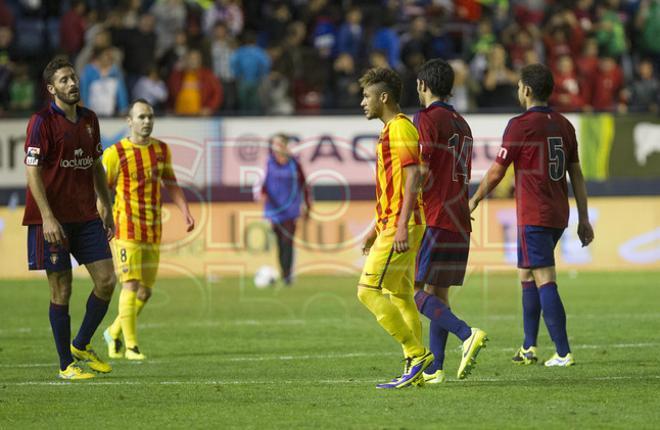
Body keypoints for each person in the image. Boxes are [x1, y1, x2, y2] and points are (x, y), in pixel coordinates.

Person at [469, 63, 595, 367]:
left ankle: (563, 352)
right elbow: (576, 174)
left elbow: (498, 171)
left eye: (518, 86)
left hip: (534, 214)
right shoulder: (565, 124)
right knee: (526, 273)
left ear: (526, 89)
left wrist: (473, 199)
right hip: (557, 213)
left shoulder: (519, 125)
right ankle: (529, 347)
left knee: (543, 278)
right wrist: (584, 217)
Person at [23, 57, 116, 380]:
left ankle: (81, 343)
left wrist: (107, 205)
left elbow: (95, 165)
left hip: (86, 215)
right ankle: (66, 365)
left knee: (107, 282)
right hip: (53, 220)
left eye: (73, 77)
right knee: (61, 290)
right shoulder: (41, 122)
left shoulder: (90, 119)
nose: (72, 83)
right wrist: (47, 217)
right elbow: (32, 171)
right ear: (52, 89)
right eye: (63, 80)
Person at [413, 59, 488, 384]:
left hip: (437, 216)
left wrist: (407, 205)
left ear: (423, 86)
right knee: (438, 294)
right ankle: (435, 368)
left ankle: (466, 333)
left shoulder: (428, 118)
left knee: (412, 289)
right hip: (459, 219)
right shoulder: (462, 123)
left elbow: (424, 168)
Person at [357, 67, 433, 389]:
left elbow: (415, 175)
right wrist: (376, 227)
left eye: (367, 96)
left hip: (401, 225)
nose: (363, 102)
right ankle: (414, 365)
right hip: (394, 223)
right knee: (400, 294)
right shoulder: (391, 130)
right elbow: (400, 184)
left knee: (368, 291)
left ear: (383, 97)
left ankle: (417, 354)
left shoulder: (400, 129)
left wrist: (399, 226)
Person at [102, 99, 195, 360]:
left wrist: (185, 211)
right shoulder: (115, 153)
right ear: (129, 121)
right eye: (141, 117)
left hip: (152, 229)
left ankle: (113, 331)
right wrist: (103, 218)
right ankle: (131, 346)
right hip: (125, 228)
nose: (147, 121)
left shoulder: (161, 150)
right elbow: (102, 190)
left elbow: (171, 183)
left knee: (145, 291)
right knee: (130, 285)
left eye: (150, 117)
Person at [257, 133, 311, 285]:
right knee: (280, 241)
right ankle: (284, 271)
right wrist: (262, 194)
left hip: (291, 208)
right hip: (274, 208)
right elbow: (261, 182)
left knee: (288, 240)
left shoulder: (294, 163)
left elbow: (304, 184)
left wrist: (307, 205)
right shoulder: (268, 162)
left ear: (286, 145)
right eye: (275, 144)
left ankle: (287, 275)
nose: (278, 147)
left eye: (280, 144)